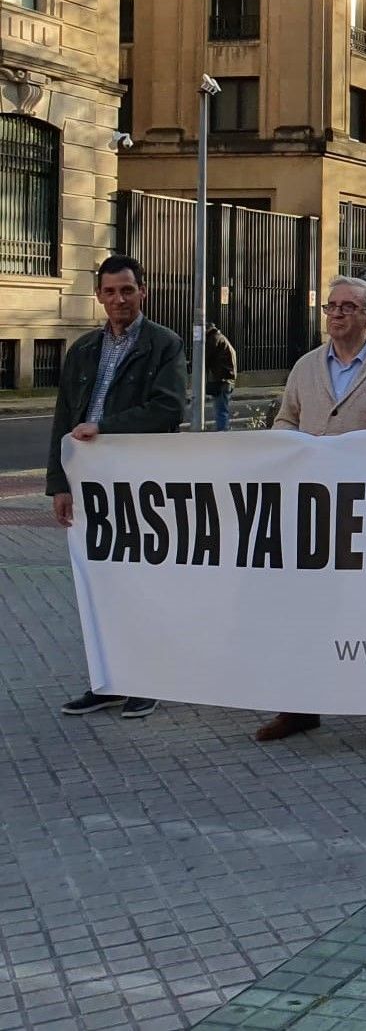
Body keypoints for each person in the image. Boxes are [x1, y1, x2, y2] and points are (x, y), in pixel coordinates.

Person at [255, 276, 366, 751]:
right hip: (315, 507)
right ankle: (300, 705)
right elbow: (286, 419)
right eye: (331, 306)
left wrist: (360, 449)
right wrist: (290, 444)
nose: (336, 314)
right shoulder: (307, 365)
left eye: (347, 307)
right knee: (307, 608)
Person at [53, 254, 187, 722]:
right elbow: (63, 417)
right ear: (99, 296)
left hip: (142, 482)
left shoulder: (163, 344)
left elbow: (168, 407)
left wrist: (104, 427)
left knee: (144, 582)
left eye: (127, 290)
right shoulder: (83, 349)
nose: (119, 300)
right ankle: (107, 681)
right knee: (101, 585)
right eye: (109, 292)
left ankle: (148, 680)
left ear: (142, 291)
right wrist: (59, 483)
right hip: (91, 483)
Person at [204, 322, 237, 432]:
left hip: (222, 379)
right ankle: (222, 430)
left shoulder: (213, 339)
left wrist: (191, 366)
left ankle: (222, 432)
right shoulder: (219, 337)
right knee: (221, 408)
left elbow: (205, 358)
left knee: (221, 410)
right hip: (227, 378)